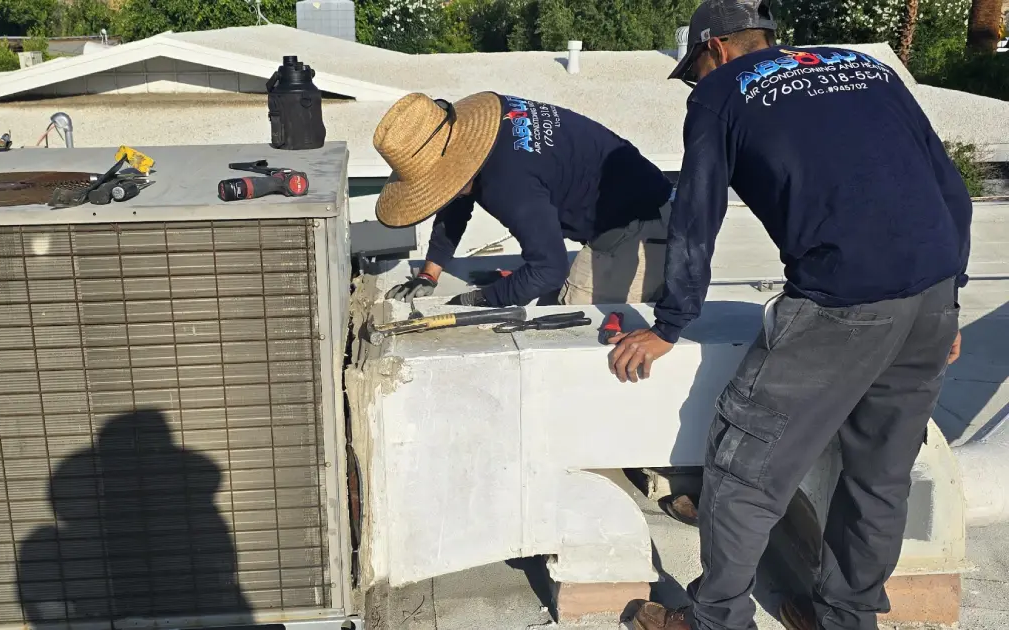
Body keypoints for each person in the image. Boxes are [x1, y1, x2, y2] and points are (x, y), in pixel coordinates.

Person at [606, 0, 972, 628]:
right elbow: (949, 188)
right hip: (929, 293)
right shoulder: (867, 68)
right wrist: (950, 303)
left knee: (745, 464)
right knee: (881, 474)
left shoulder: (720, 93)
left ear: (715, 50)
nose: (696, 81)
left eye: (693, 68)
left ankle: (714, 618)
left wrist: (670, 325)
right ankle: (847, 618)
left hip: (841, 302)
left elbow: (697, 217)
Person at [373, 91, 674, 308]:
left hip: (643, 233)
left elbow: (549, 269)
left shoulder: (507, 184)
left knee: (566, 310)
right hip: (638, 203)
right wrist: (429, 273)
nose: (441, 196)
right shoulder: (483, 134)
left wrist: (481, 298)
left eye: (437, 188)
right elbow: (458, 202)